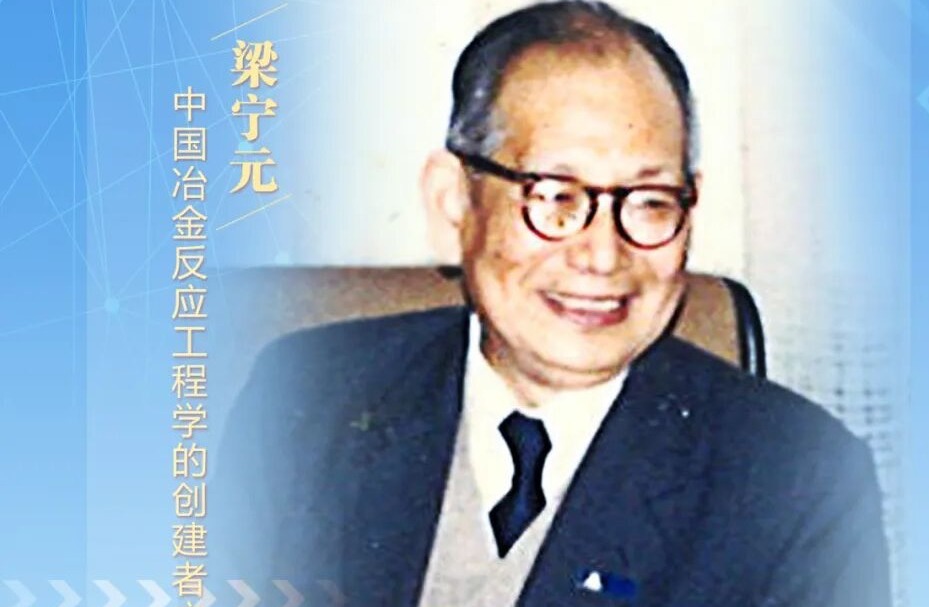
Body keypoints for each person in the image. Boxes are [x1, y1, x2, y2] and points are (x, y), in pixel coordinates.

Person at [216, 2, 891, 605]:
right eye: (555, 197)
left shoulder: (797, 480)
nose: (602, 255)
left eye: (650, 202)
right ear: (454, 203)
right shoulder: (306, 396)